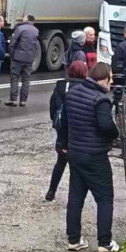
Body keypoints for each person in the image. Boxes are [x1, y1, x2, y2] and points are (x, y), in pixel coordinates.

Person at [63, 62, 122, 252]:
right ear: (103, 79)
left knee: (75, 196)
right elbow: (106, 125)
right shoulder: (101, 100)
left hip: (75, 152)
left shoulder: (72, 94)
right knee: (104, 198)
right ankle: (105, 242)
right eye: (110, 79)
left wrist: (64, 143)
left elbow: (64, 121)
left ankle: (74, 239)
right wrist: (116, 133)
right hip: (95, 155)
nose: (111, 83)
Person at [46, 60, 88, 201]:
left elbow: (52, 106)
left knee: (61, 161)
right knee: (77, 166)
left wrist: (56, 120)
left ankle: (51, 191)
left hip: (62, 129)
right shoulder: (86, 88)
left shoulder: (60, 86)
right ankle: (74, 197)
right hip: (79, 130)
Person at [7, 15, 40, 107]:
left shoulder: (20, 28)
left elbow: (12, 43)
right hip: (29, 59)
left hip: (18, 58)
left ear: (26, 19)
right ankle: (23, 101)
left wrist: (11, 55)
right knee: (26, 79)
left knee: (15, 78)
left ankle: (13, 99)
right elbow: (35, 45)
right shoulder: (36, 30)